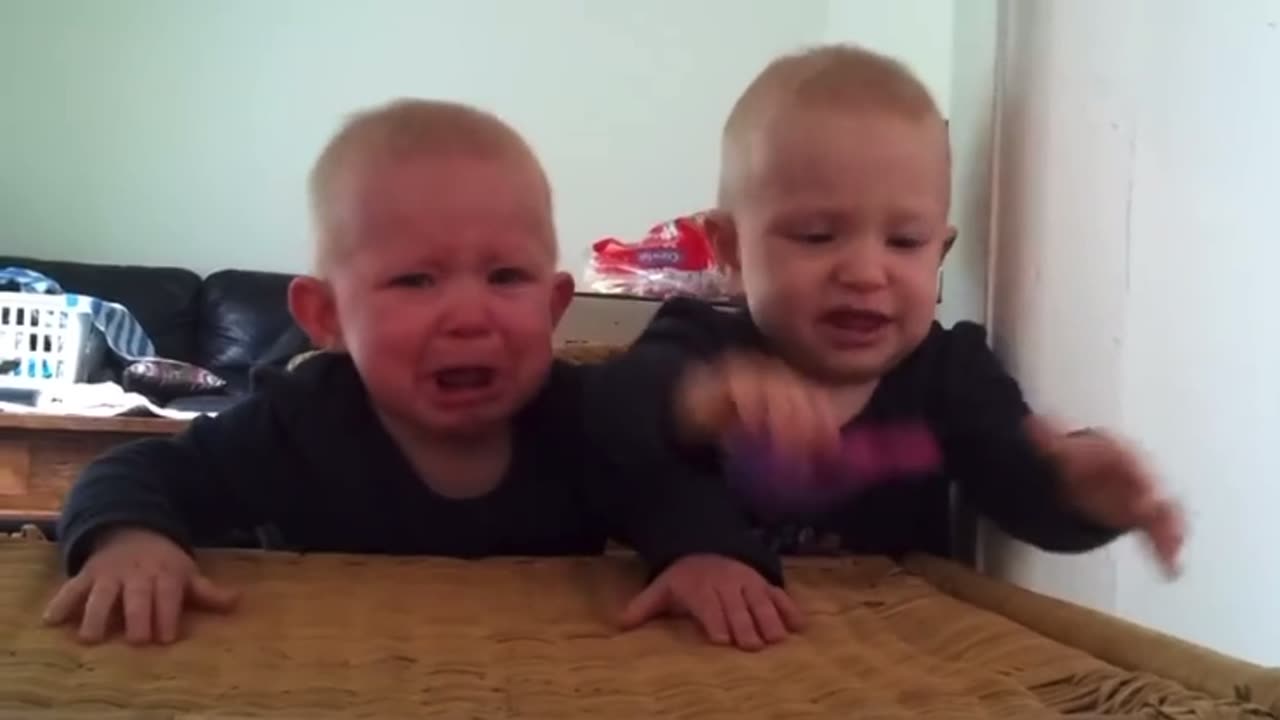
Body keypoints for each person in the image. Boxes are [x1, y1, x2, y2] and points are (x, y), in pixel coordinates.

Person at [44, 99, 800, 651]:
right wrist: (130, 541)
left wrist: (707, 554)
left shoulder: (586, 418)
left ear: (553, 307)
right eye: (415, 280)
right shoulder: (300, 420)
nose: (469, 315)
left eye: (505, 277)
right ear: (327, 317)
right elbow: (137, 472)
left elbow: (671, 491)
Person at [587, 45, 1185, 569]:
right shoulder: (699, 343)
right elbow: (607, 416)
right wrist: (696, 401)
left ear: (940, 253)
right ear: (731, 250)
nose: (866, 273)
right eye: (817, 236)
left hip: (897, 634)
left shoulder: (952, 373)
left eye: (905, 242)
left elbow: (1014, 485)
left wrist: (1082, 492)